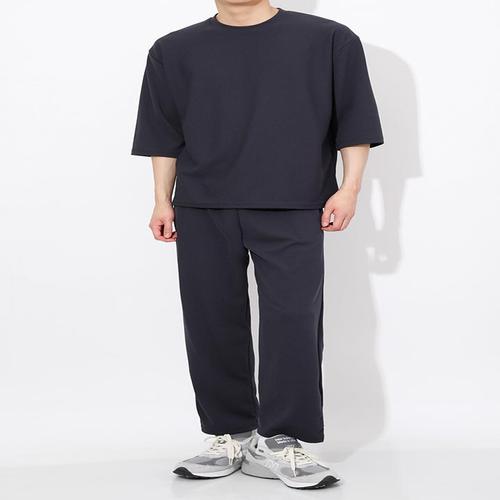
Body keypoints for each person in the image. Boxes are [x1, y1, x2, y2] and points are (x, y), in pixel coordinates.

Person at [132, 0, 383, 490]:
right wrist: (162, 199)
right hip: (203, 206)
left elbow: (354, 120)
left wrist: (349, 188)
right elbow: (164, 134)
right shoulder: (173, 49)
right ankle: (229, 432)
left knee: (293, 321)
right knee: (210, 320)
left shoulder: (329, 40)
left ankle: (281, 439)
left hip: (294, 203)